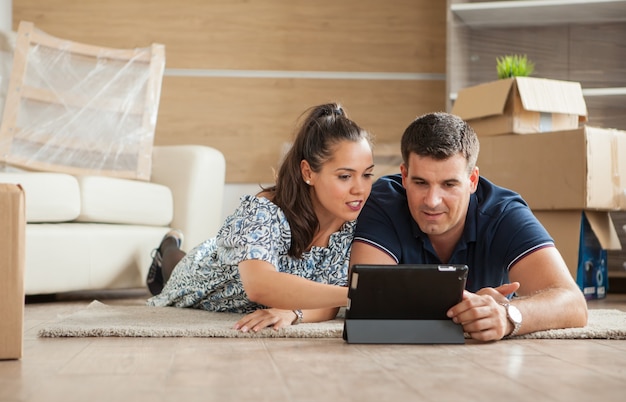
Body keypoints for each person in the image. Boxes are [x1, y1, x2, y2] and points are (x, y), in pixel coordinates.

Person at [349, 112, 588, 342]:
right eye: (420, 182)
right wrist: (467, 307)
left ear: (472, 180)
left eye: (449, 184)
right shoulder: (383, 201)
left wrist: (506, 315)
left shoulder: (504, 212)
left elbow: (573, 303)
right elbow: (368, 299)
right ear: (404, 176)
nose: (432, 201)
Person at [146, 102, 374, 332]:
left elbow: (329, 301)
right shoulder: (264, 209)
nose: (360, 189)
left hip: (250, 297)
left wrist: (295, 313)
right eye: (345, 176)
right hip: (205, 276)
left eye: (367, 175)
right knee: (174, 270)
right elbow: (259, 285)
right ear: (308, 173)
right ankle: (168, 246)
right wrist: (358, 293)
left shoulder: (354, 228)